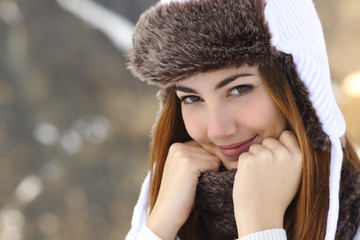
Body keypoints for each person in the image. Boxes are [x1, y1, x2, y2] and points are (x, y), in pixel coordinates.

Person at [125, 0, 360, 239]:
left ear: (298, 89)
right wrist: (160, 223)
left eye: (239, 89)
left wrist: (261, 225)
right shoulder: (173, 208)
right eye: (192, 98)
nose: (218, 131)